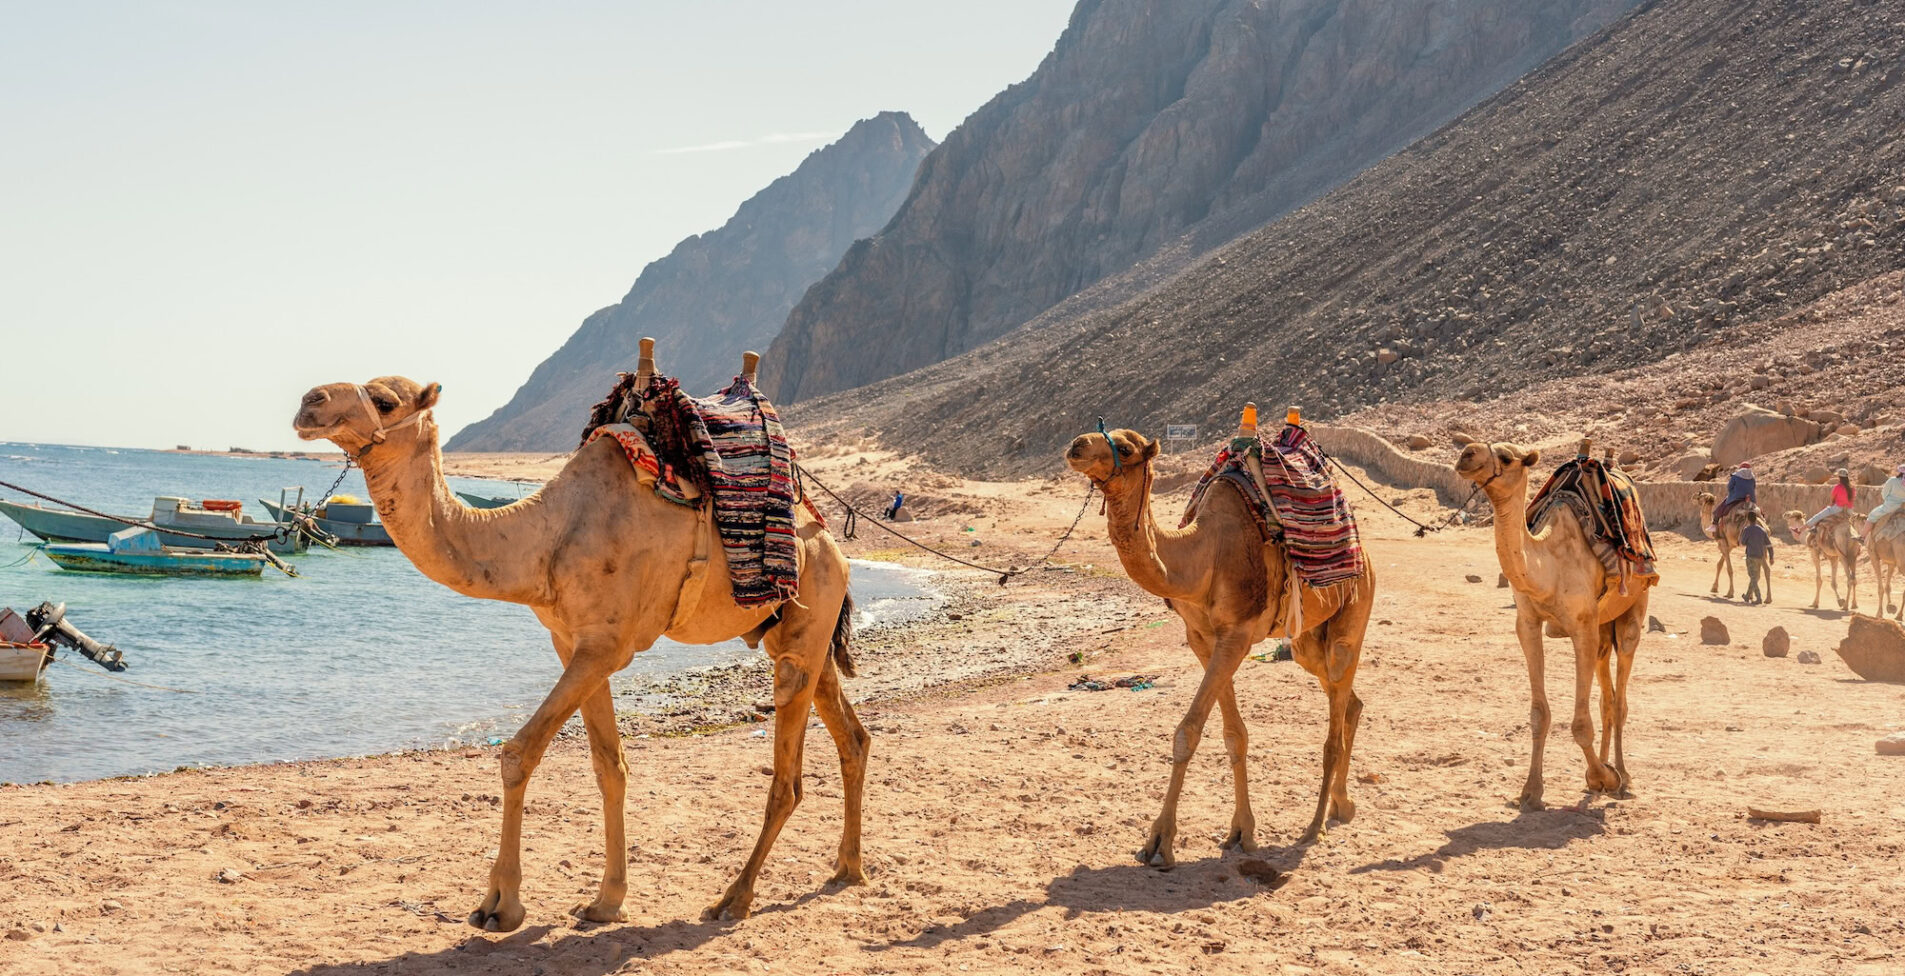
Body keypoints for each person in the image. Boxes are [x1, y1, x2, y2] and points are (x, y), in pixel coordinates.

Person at [1801, 468, 1858, 540]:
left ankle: (1803, 529)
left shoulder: (1838, 487)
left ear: (1839, 477)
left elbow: (1832, 498)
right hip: (1849, 510)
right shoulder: (1852, 488)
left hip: (1837, 508)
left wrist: (1831, 505)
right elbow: (1852, 499)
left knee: (1818, 516)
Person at [1709, 461, 1757, 532]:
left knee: (1722, 507)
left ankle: (1714, 524)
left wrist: (1734, 492)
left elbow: (1729, 487)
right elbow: (1754, 487)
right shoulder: (1752, 477)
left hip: (1736, 498)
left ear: (1740, 468)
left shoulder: (1735, 476)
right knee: (1758, 511)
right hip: (1750, 499)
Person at [1741, 513, 1775, 605]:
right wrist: (1771, 556)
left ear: (1748, 520)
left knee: (1753, 577)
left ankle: (1758, 597)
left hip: (1750, 556)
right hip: (1760, 556)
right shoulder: (1762, 530)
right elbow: (1769, 544)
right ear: (1756, 519)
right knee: (1754, 577)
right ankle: (1747, 596)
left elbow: (1743, 542)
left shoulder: (1747, 530)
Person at [1867, 463, 1905, 536]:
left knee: (1871, 515)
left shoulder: (1892, 480)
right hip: (1903, 508)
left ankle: (1862, 537)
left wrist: (1887, 500)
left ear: (1900, 471)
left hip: (1889, 507)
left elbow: (1884, 493)